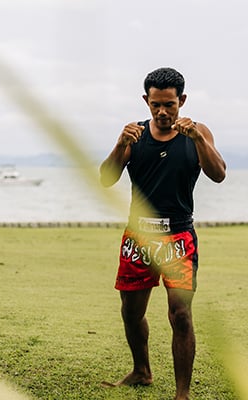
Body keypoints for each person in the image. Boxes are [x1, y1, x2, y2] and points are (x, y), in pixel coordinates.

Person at [99, 67, 226, 400]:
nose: (162, 112)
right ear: (146, 100)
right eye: (156, 104)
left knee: (180, 314)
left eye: (169, 104)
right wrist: (120, 144)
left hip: (178, 237)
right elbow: (106, 180)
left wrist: (198, 139)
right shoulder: (135, 134)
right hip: (139, 237)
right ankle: (142, 371)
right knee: (131, 312)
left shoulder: (197, 132)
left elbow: (218, 174)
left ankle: (182, 394)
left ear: (182, 100)